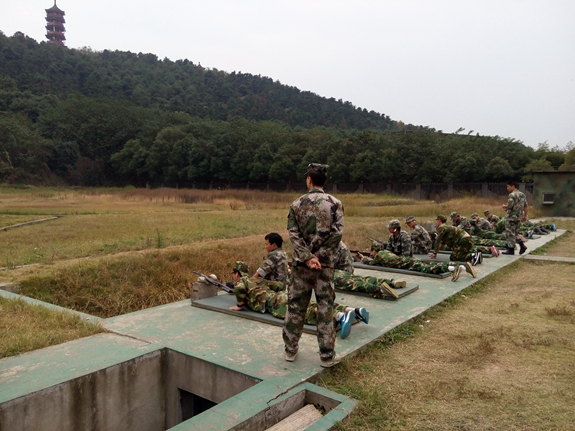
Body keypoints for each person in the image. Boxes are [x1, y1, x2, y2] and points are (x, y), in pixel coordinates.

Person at [283, 163, 344, 368]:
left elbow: (293, 234)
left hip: (301, 265)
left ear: (309, 179)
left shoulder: (296, 204)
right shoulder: (335, 203)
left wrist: (307, 257)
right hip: (324, 266)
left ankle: (290, 350)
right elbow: (337, 234)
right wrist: (319, 256)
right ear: (324, 180)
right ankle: (326, 356)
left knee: (295, 306)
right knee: (325, 308)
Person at [229, 262, 368, 339]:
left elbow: (240, 288)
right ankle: (353, 310)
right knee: (312, 304)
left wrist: (240, 304)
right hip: (281, 295)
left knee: (304, 314)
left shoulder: (241, 281)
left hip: (274, 303)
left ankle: (340, 317)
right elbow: (278, 285)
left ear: (237, 273)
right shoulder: (256, 279)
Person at [359, 243, 476, 281]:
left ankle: (454, 269)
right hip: (408, 260)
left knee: (428, 269)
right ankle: (461, 266)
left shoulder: (379, 256)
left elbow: (371, 263)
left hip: (407, 265)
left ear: (374, 250)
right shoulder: (385, 252)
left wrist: (363, 258)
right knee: (430, 264)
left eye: (372, 251)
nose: (371, 253)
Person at [334, 268, 402, 299]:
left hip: (331, 276)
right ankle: (391, 282)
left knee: (352, 284)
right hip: (336, 271)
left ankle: (379, 289)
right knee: (363, 278)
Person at [501, 180, 528, 255]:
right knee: (515, 233)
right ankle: (522, 245)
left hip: (511, 217)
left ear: (513, 186)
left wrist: (504, 206)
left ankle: (511, 249)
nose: (507, 188)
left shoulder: (512, 195)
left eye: (508, 186)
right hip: (519, 216)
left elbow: (510, 206)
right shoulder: (522, 195)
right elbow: (525, 206)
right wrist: (525, 215)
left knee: (509, 233)